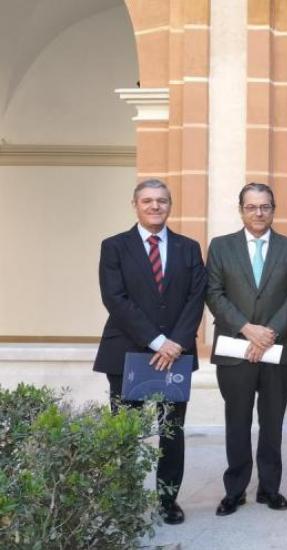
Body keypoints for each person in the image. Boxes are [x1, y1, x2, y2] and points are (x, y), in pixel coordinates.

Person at [93, 179, 206, 525]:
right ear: (135, 205)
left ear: (170, 205)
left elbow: (196, 297)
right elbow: (115, 298)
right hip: (128, 352)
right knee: (126, 432)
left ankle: (168, 500)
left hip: (176, 354)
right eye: (147, 201)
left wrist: (177, 343)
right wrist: (159, 342)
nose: (155, 206)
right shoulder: (114, 246)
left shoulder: (189, 248)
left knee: (172, 431)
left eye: (161, 200)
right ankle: (124, 499)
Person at [206, 183, 287, 516]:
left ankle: (269, 488)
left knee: (272, 421)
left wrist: (269, 334)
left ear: (273, 209)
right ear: (241, 210)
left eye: (265, 207)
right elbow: (214, 293)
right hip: (235, 348)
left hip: (276, 350)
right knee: (237, 420)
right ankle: (235, 490)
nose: (259, 213)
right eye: (252, 207)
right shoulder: (221, 247)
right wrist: (248, 330)